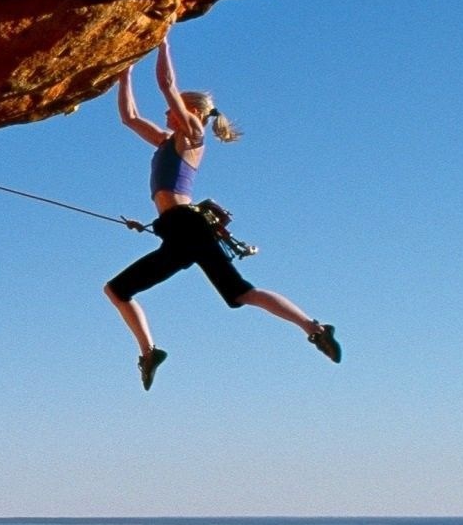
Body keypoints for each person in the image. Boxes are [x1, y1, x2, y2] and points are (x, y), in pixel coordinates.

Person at [104, 34, 340, 389]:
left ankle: (315, 328)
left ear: (193, 113)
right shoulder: (165, 140)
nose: (167, 113)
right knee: (118, 290)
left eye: (174, 110)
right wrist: (124, 72)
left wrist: (162, 42)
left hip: (188, 227)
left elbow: (168, 86)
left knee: (242, 293)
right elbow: (129, 117)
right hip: (175, 231)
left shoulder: (193, 135)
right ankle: (149, 352)